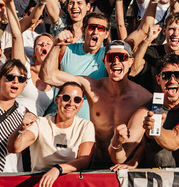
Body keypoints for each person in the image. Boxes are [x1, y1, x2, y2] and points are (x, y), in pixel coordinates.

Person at [41, 38, 152, 168]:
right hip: (94, 162)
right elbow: (48, 76)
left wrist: (135, 161)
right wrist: (56, 45)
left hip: (123, 164)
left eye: (122, 57)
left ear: (130, 62)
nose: (116, 61)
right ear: (104, 61)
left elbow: (147, 137)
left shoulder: (143, 97)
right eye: (111, 57)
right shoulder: (92, 87)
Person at [110, 54, 179, 169]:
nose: (172, 80)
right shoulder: (149, 110)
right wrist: (116, 144)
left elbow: (174, 142)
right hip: (158, 179)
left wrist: (155, 132)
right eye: (166, 76)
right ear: (158, 80)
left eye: (178, 75)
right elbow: (121, 157)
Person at [8, 81, 94, 187]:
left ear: (81, 103)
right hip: (39, 186)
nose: (71, 103)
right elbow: (14, 148)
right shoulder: (41, 122)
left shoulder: (86, 126)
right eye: (66, 98)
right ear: (57, 99)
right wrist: (21, 128)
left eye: (77, 99)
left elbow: (85, 160)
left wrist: (58, 169)